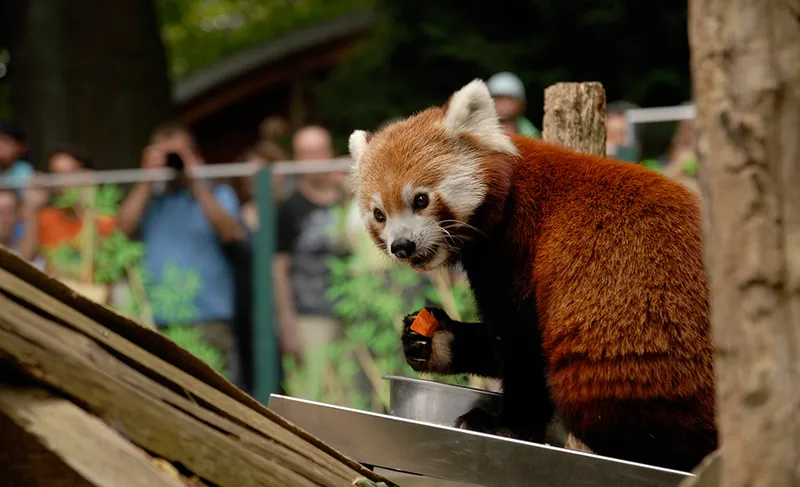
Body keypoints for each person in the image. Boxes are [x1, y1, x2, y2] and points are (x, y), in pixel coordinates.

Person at [118, 121, 246, 384]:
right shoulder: (148, 200)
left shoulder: (217, 193)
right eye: (166, 155)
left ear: (194, 154)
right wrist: (146, 180)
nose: (173, 163)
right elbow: (120, 231)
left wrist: (196, 181)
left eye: (177, 155)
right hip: (156, 319)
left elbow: (231, 232)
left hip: (208, 318)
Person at [273, 125, 349, 398]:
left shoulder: (352, 200)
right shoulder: (289, 208)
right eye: (305, 153)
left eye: (318, 151)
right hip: (309, 318)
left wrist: (349, 192)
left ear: (330, 153)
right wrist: (287, 325)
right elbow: (278, 271)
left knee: (353, 398)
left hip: (354, 316)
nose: (313, 159)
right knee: (313, 398)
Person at [17, 147, 115, 277]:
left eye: (70, 173)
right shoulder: (45, 217)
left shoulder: (104, 216)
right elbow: (26, 258)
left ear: (87, 176)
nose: (63, 182)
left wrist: (87, 205)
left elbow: (103, 261)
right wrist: (33, 207)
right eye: (56, 174)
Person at [486, 72, 541, 138]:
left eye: (508, 99)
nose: (503, 104)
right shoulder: (481, 126)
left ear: (520, 103)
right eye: (498, 98)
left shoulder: (527, 130)